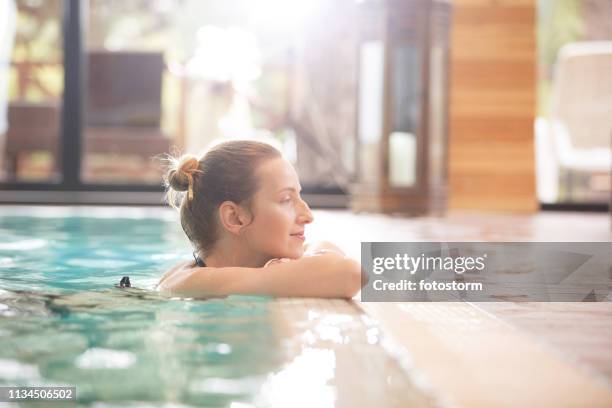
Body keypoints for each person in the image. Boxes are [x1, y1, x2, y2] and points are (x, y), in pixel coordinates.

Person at [156, 140, 362, 299]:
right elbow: (351, 274)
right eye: (286, 199)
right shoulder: (191, 283)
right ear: (235, 218)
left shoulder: (234, 270)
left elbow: (326, 248)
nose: (308, 216)